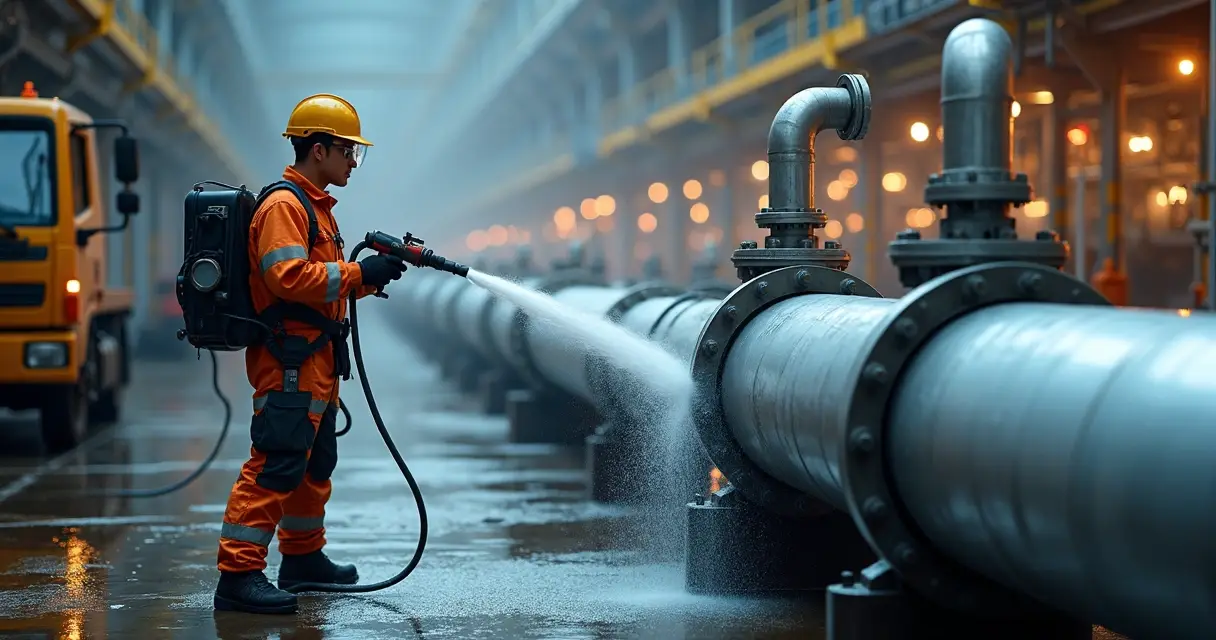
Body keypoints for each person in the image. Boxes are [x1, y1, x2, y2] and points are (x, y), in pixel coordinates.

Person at [212, 94, 407, 614]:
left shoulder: (314, 206)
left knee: (313, 464)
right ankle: (238, 575)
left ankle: (302, 558)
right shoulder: (284, 206)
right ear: (318, 149)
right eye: (348, 151)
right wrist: (358, 274)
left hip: (316, 361)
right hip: (289, 362)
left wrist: (368, 279)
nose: (352, 162)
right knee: (276, 463)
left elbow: (320, 284)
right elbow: (288, 278)